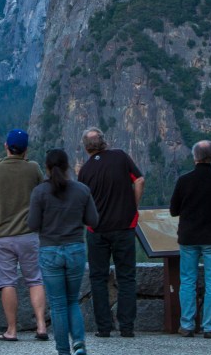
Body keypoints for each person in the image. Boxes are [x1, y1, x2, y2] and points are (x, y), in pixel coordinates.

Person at [0, 128, 49, 343]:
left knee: (7, 283)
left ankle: (11, 330)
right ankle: (41, 326)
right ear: (26, 149)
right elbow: (44, 195)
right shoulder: (33, 168)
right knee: (35, 280)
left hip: (1, 237)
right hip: (29, 234)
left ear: (6, 147)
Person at [76, 129, 144, 339]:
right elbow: (139, 180)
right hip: (124, 227)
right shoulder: (121, 157)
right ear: (104, 142)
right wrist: (133, 206)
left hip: (97, 230)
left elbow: (82, 201)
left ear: (86, 147)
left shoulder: (85, 171)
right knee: (126, 278)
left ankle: (103, 328)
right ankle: (127, 327)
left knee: (98, 278)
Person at [30, 148, 97, 355]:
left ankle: (63, 350)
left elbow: (32, 224)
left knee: (58, 305)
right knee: (72, 300)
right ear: (68, 166)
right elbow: (93, 220)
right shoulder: (82, 190)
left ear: (47, 168)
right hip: (75, 249)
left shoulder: (39, 192)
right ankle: (79, 342)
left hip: (50, 250)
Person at [169, 140, 211, 339]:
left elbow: (174, 210)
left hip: (188, 236)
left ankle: (186, 325)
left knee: (187, 280)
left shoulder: (184, 180)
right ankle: (210, 327)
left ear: (195, 157)